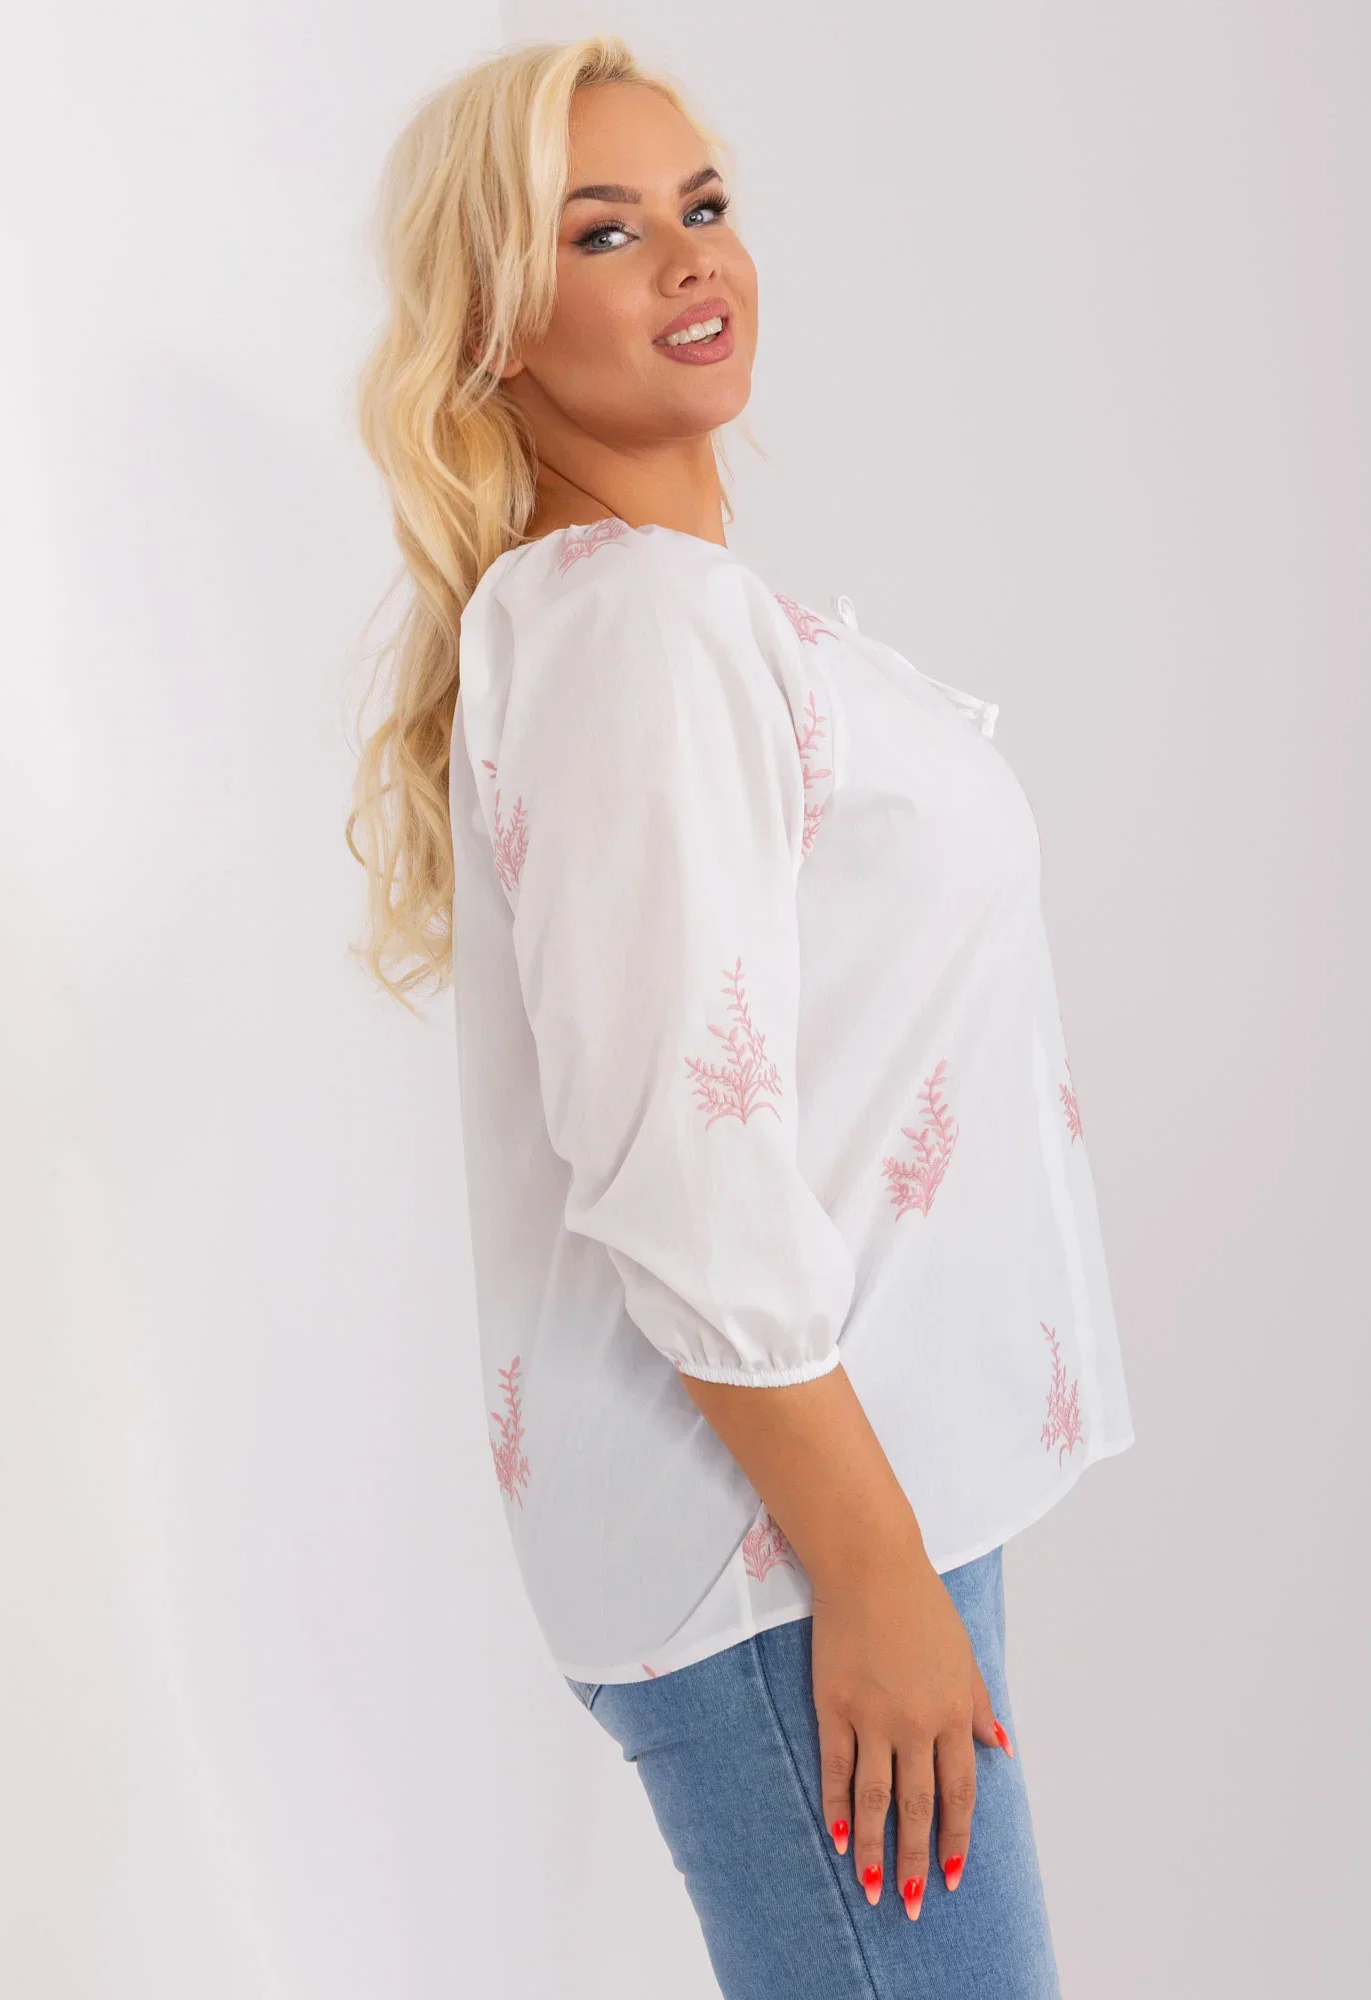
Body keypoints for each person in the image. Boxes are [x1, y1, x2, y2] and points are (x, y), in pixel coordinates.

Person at [349, 34, 1134, 2000]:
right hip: (785, 1539)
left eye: (702, 205)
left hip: (820, 1510)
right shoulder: (637, 627)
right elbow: (679, 1167)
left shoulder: (665, 614)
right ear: (494, 323)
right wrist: (867, 1572)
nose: (692, 255)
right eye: (605, 231)